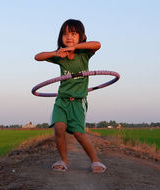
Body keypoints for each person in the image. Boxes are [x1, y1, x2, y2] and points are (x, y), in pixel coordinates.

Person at [34, 19, 106, 173]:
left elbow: (97, 44)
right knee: (59, 128)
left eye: (73, 34)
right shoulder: (60, 56)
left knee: (79, 134)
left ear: (81, 36)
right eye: (65, 34)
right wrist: (56, 53)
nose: (69, 37)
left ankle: (95, 161)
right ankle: (63, 160)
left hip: (78, 101)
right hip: (62, 100)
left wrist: (75, 47)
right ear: (60, 38)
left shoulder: (83, 54)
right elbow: (37, 56)